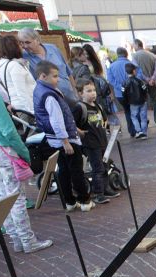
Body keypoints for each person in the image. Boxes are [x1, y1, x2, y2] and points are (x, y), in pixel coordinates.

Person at [0, 61, 52, 253]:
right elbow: (8, 131)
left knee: (2, 199)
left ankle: (16, 239)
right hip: (3, 151)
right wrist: (24, 152)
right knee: (16, 198)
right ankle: (28, 240)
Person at [33, 60, 93, 212]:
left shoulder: (40, 90)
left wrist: (74, 130)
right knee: (75, 170)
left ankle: (69, 201)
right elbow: (57, 120)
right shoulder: (49, 95)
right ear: (43, 76)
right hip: (64, 140)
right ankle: (84, 200)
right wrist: (66, 141)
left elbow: (61, 118)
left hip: (57, 139)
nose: (58, 79)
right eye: (54, 76)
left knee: (64, 170)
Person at [73, 78, 120, 204]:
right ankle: (98, 193)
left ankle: (106, 189)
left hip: (102, 142)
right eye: (88, 91)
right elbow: (71, 123)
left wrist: (106, 126)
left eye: (94, 90)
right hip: (91, 144)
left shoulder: (98, 105)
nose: (93, 93)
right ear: (80, 93)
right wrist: (80, 132)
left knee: (105, 166)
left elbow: (104, 119)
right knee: (97, 168)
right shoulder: (80, 107)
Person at [18, 28, 77, 103]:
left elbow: (68, 72)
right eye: (21, 43)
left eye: (27, 42)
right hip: (51, 101)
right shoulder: (23, 57)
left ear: (37, 40)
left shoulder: (52, 48)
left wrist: (76, 91)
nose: (24, 46)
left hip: (71, 96)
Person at [0, 35, 37, 131]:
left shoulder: (5, 65)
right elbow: (21, 91)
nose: (22, 46)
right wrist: (32, 112)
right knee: (34, 135)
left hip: (21, 106)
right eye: (19, 44)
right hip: (27, 108)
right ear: (12, 47)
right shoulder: (14, 65)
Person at [79, 44, 117, 126]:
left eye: (87, 53)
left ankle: (108, 125)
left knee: (104, 108)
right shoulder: (81, 65)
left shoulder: (94, 62)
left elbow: (102, 76)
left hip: (100, 88)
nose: (85, 55)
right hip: (91, 88)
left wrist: (110, 92)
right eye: (84, 54)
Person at [107, 47, 136, 138]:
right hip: (132, 92)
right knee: (135, 110)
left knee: (127, 111)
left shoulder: (111, 66)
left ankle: (131, 130)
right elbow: (137, 76)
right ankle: (138, 129)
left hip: (119, 94)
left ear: (117, 55)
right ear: (126, 54)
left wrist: (120, 87)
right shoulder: (131, 64)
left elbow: (110, 80)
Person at [132, 39, 156, 127]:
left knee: (142, 102)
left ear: (137, 45)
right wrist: (152, 79)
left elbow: (136, 71)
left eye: (134, 45)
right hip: (152, 83)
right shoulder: (151, 55)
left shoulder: (135, 56)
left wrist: (147, 79)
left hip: (140, 84)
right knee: (155, 101)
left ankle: (144, 121)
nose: (133, 47)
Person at [122, 63, 148, 139]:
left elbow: (123, 93)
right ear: (134, 71)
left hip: (132, 103)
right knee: (143, 118)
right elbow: (145, 89)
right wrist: (145, 97)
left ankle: (139, 131)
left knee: (134, 117)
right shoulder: (140, 81)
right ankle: (144, 133)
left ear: (126, 72)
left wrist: (127, 101)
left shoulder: (124, 82)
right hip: (142, 101)